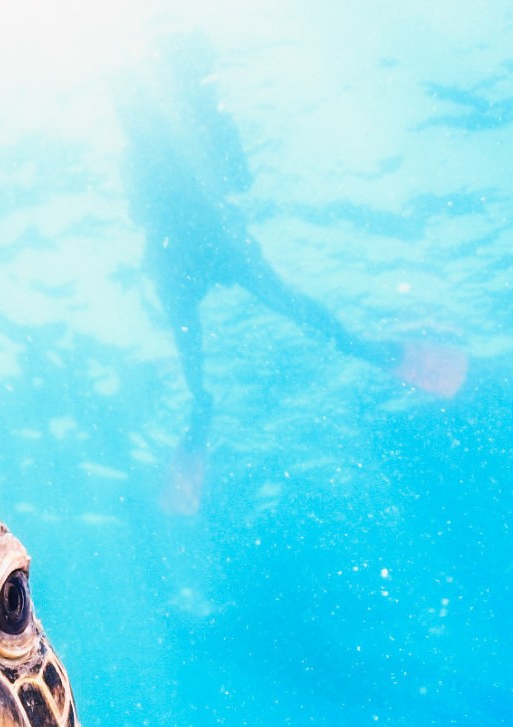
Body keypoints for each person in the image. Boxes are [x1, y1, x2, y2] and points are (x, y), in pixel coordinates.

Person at [115, 34, 467, 513]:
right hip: (218, 239)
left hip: (173, 254)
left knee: (190, 347)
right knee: (290, 303)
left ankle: (200, 411)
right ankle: (374, 350)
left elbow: (141, 210)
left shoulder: (137, 147)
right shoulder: (206, 120)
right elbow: (240, 179)